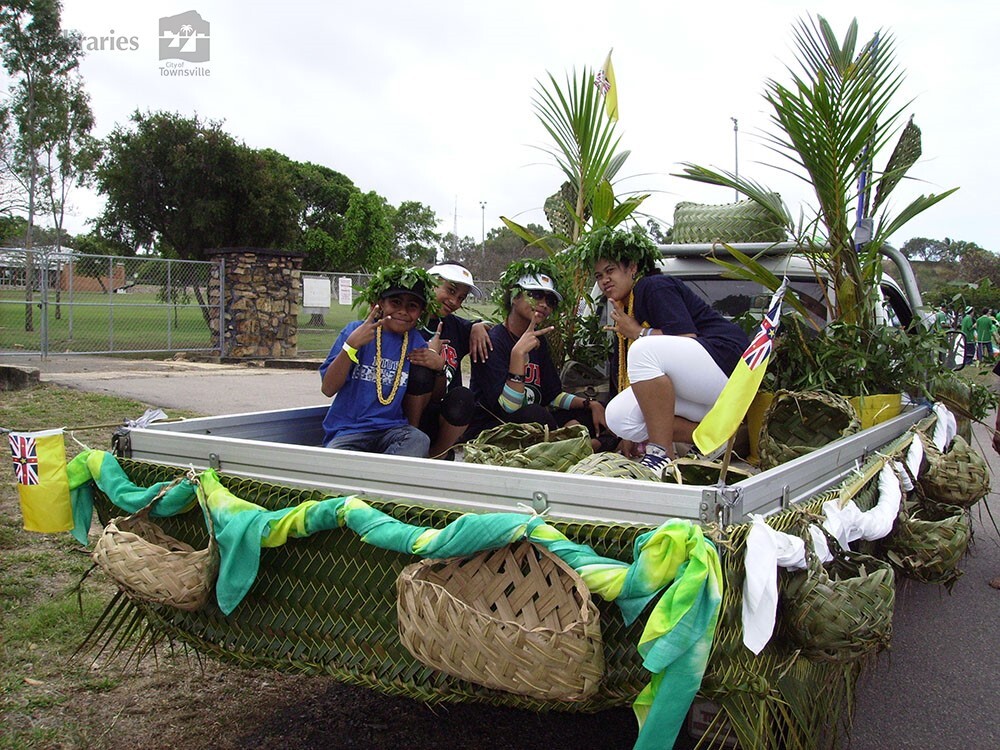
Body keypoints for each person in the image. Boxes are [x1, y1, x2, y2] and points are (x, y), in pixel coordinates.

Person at [573, 227, 750, 472]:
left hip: (729, 369)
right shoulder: (625, 310)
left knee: (643, 350)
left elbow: (685, 337)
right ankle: (714, 439)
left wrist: (637, 333)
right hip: (699, 388)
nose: (604, 280)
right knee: (618, 416)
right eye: (598, 275)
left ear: (632, 267)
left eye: (610, 270)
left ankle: (660, 453)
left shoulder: (653, 286)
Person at [467, 260, 608, 444]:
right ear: (515, 297)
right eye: (536, 295)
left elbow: (552, 395)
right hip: (495, 427)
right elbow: (507, 408)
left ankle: (573, 442)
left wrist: (590, 404)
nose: (544, 304)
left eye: (550, 301)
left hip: (534, 425)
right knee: (534, 413)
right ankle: (575, 443)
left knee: (588, 415)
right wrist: (517, 355)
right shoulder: (492, 341)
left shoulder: (539, 341)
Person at [318, 264, 437, 457]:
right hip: (349, 432)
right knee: (336, 456)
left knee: (419, 439)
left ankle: (375, 475)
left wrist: (439, 366)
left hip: (392, 432)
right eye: (395, 302)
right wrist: (351, 347)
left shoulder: (415, 341)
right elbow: (328, 388)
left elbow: (432, 392)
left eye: (412, 306)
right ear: (379, 304)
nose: (403, 311)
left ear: (421, 312)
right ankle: (381, 476)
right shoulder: (355, 332)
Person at [404, 261, 492, 458]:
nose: (454, 301)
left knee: (464, 397)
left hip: (443, 415)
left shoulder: (456, 326)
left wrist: (479, 325)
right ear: (431, 283)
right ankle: (409, 441)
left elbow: (493, 328)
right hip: (406, 411)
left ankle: (438, 457)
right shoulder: (407, 320)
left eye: (461, 297)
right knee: (422, 370)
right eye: (450, 291)